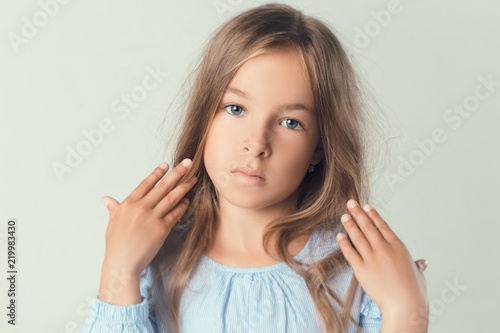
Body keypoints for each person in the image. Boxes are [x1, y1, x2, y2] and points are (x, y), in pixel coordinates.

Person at [82, 3, 429, 333]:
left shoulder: (359, 268)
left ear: (319, 149)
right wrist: (119, 271)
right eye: (235, 109)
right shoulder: (153, 261)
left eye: (290, 122)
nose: (257, 144)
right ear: (205, 117)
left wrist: (405, 310)